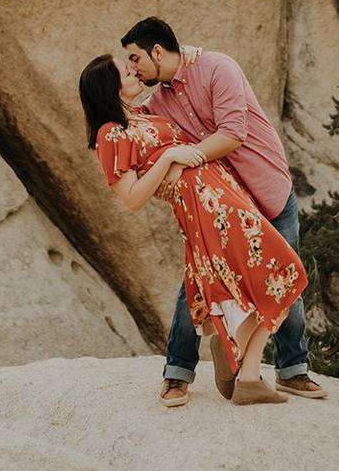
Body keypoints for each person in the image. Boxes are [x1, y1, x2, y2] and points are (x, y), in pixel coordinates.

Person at [121, 16, 328, 407]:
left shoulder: (218, 68)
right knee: (195, 281)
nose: (133, 68)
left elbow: (233, 133)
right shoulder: (157, 102)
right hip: (225, 206)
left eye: (136, 59)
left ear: (158, 50)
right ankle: (177, 374)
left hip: (268, 192)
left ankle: (292, 370)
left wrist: (183, 160)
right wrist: (127, 96)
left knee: (284, 277)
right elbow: (131, 129)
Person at [79, 52, 308, 405]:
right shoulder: (111, 134)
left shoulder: (142, 113)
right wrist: (171, 159)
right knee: (285, 273)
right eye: (126, 71)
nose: (134, 71)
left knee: (269, 278)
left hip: (223, 193)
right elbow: (133, 197)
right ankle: (237, 356)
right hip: (208, 207)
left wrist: (190, 55)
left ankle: (246, 373)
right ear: (109, 87)